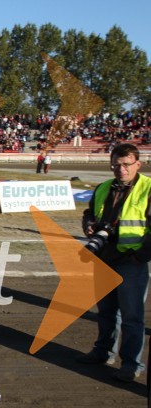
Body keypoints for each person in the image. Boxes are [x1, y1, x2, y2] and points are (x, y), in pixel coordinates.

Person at [76, 142, 150, 382]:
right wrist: (88, 225)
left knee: (131, 316)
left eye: (126, 164)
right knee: (106, 312)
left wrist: (141, 255)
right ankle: (103, 351)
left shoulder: (148, 188)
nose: (121, 169)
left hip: (132, 261)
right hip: (104, 258)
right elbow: (90, 213)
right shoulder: (103, 188)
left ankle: (131, 363)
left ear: (138, 164)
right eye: (116, 165)